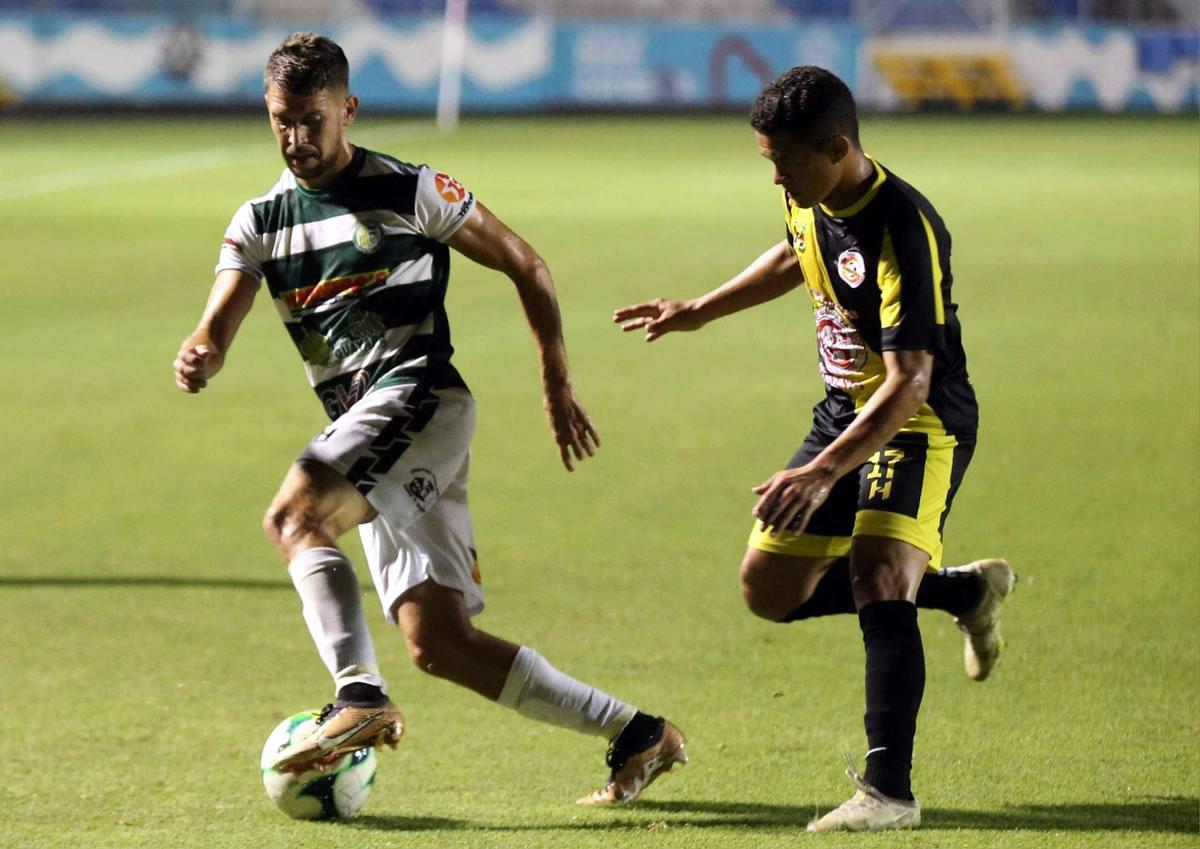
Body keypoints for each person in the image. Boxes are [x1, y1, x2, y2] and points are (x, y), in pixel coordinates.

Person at [173, 32, 685, 807]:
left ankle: (357, 695)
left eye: (312, 118)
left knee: (293, 518)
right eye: (280, 119)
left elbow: (527, 263)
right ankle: (638, 731)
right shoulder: (259, 220)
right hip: (373, 431)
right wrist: (203, 350)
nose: (296, 137)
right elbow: (218, 320)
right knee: (438, 642)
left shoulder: (412, 190)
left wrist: (554, 378)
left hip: (420, 399)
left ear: (348, 109)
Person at [614, 66, 1013, 832]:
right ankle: (965, 593)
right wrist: (700, 309)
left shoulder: (902, 227)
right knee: (769, 590)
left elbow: (910, 384)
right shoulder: (810, 192)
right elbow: (794, 251)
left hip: (916, 421)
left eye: (784, 163)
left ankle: (888, 792)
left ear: (837, 148)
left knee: (877, 574)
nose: (776, 176)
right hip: (840, 414)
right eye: (769, 162)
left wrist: (825, 469)